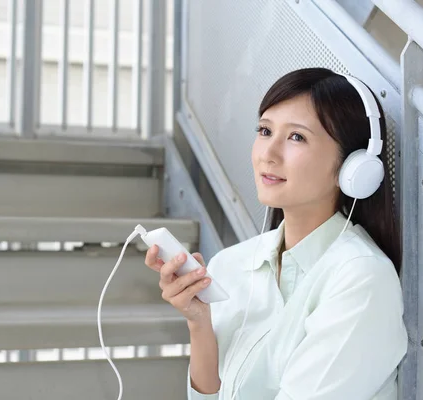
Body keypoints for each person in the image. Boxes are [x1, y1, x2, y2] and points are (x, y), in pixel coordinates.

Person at [144, 68, 408, 399]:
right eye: (265, 131)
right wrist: (199, 323)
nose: (268, 153)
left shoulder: (361, 278)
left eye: (297, 137)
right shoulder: (231, 264)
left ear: (354, 167)